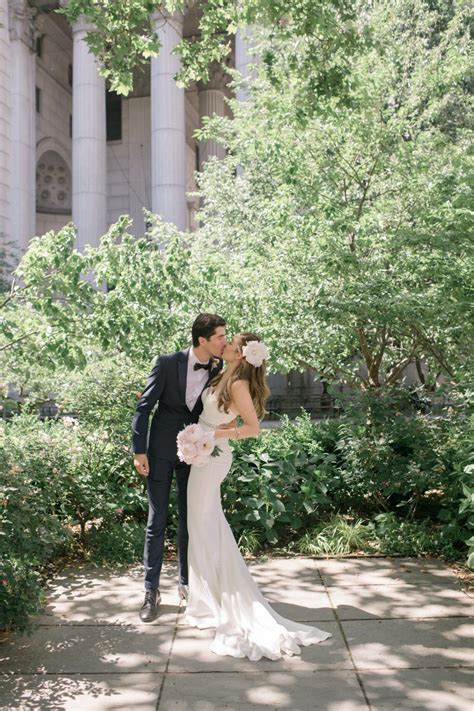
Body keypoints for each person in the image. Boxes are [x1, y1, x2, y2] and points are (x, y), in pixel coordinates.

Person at [185, 332, 332, 660]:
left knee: (204, 525)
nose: (225, 346)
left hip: (213, 456)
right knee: (204, 525)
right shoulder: (225, 375)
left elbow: (253, 427)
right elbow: (225, 413)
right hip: (204, 451)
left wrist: (214, 434)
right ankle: (208, 598)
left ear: (240, 355)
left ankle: (219, 600)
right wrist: (204, 433)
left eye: (231, 345)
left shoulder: (237, 384)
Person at [132, 313, 234, 622]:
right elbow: (144, 407)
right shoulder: (166, 363)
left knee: (191, 520)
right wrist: (139, 451)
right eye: (220, 337)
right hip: (161, 451)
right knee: (156, 520)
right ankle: (151, 591)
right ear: (203, 340)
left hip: (197, 454)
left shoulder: (219, 369)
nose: (224, 342)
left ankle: (188, 584)